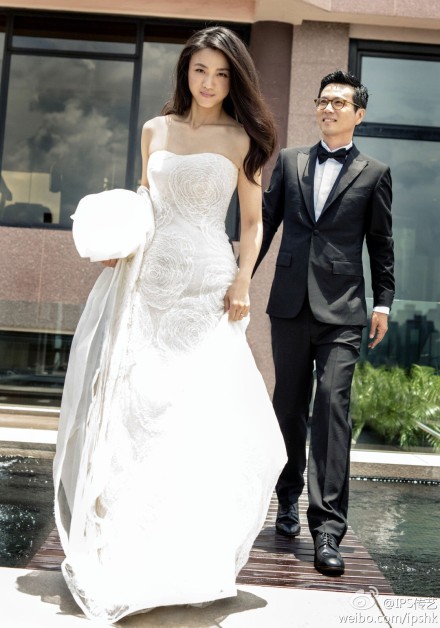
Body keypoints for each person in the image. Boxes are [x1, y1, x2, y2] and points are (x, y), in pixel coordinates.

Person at [53, 26, 286, 622]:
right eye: (200, 70)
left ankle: (187, 554)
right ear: (186, 71)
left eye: (222, 74)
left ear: (234, 81)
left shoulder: (242, 138)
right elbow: (145, 198)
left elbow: (253, 222)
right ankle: (128, 549)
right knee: (135, 409)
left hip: (206, 290)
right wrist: (118, 239)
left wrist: (242, 281)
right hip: (148, 285)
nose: (209, 83)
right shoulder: (155, 129)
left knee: (192, 414)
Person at [254, 70, 394, 575]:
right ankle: (286, 500)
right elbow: (264, 224)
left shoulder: (374, 173)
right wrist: (235, 280)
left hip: (344, 310)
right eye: (323, 100)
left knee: (333, 408)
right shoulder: (291, 161)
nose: (328, 108)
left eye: (339, 102)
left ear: (359, 114)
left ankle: (328, 529)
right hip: (290, 304)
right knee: (288, 405)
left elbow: (380, 243)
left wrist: (383, 303)